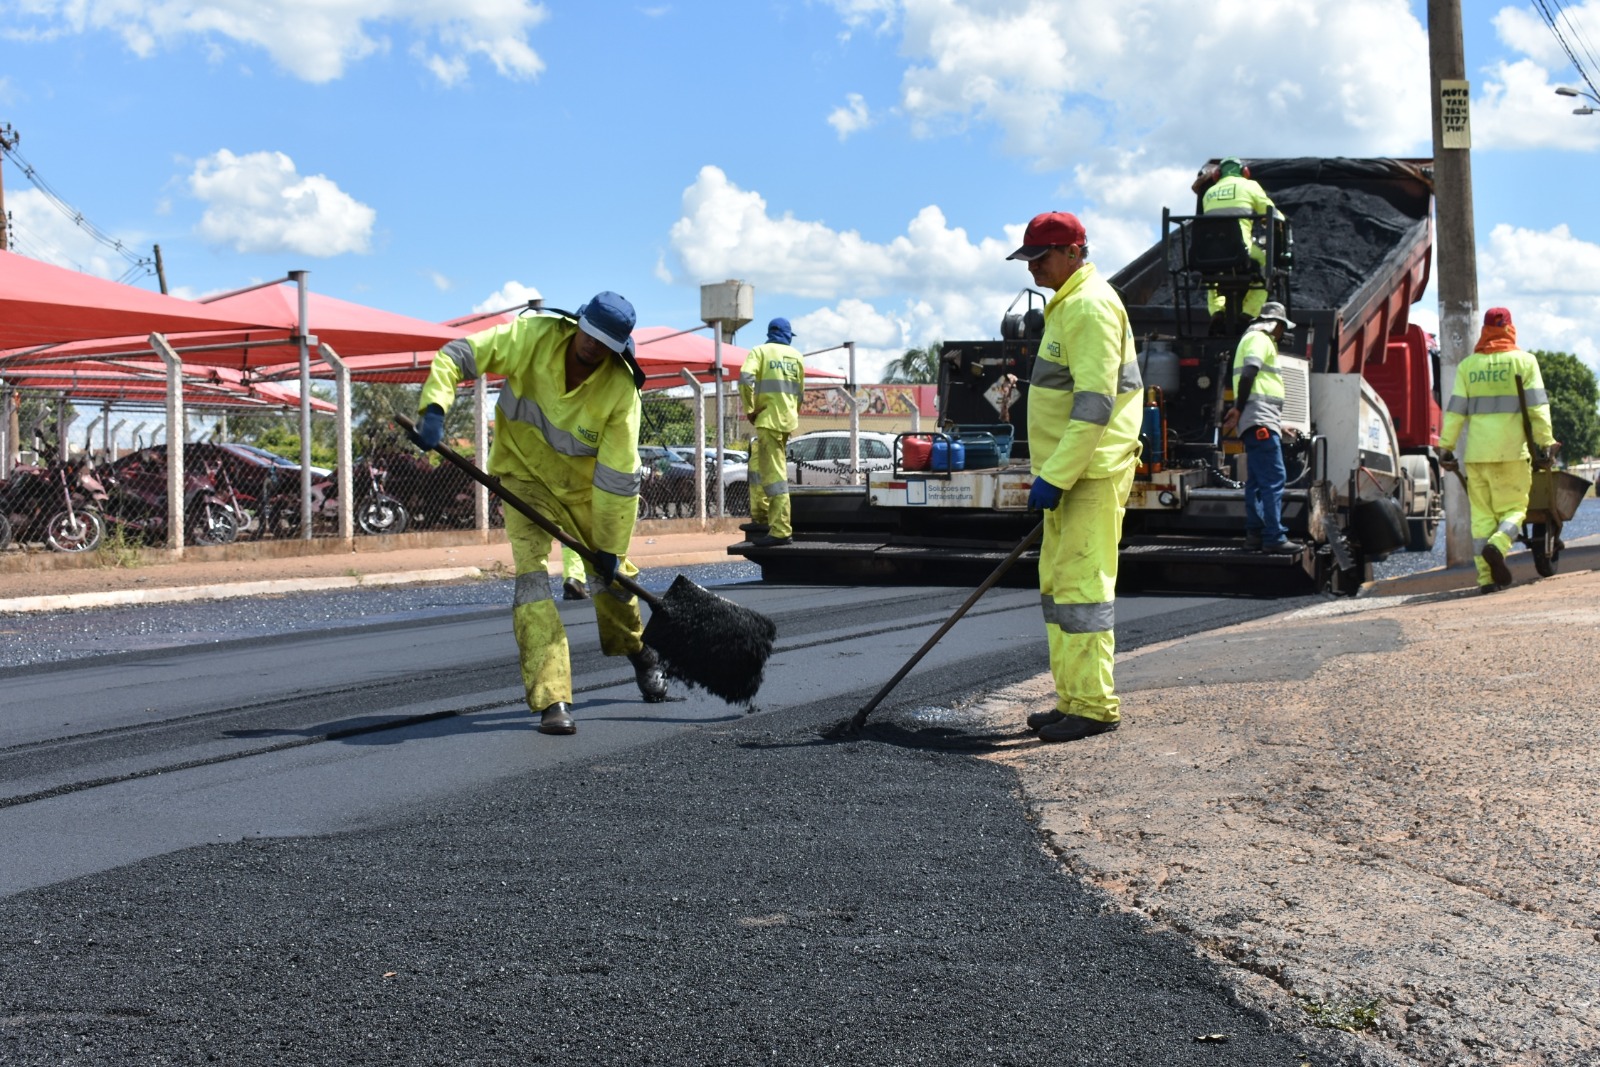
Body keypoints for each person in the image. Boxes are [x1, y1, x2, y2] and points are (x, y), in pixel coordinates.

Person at [410, 292, 668, 736]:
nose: (592, 347)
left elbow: (618, 481)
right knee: (531, 582)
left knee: (612, 582)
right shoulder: (533, 336)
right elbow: (459, 355)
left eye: (604, 342)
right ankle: (553, 699)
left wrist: (608, 548)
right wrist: (434, 406)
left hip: (586, 494)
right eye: (588, 334)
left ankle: (639, 653)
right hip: (522, 478)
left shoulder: (621, 391)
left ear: (619, 347)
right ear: (578, 323)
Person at [1007, 211, 1144, 744]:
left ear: (1072, 252)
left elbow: (1094, 406)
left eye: (1041, 258)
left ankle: (1094, 706)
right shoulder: (1067, 306)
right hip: (1070, 475)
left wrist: (1057, 475)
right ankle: (1072, 698)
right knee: (1061, 590)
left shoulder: (1089, 307)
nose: (1034, 268)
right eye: (1030, 260)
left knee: (1085, 591)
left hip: (1090, 471)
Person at [1438, 307, 1558, 594]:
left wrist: (1446, 447)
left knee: (1481, 517)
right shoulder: (1525, 362)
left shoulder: (1468, 366)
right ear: (1509, 329)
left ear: (1485, 330)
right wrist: (1547, 442)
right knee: (1515, 509)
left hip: (1477, 455)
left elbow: (1455, 412)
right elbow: (1538, 408)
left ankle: (1486, 580)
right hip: (1512, 454)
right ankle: (1499, 545)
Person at [1221, 302, 1301, 554]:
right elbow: (1249, 374)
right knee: (1274, 479)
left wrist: (1278, 424)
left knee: (1256, 481)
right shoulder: (1260, 339)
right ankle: (1274, 536)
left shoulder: (1250, 339)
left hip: (1260, 420)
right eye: (1282, 327)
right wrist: (1239, 408)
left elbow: (1257, 387)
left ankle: (1255, 535)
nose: (1282, 333)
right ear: (1275, 324)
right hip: (1259, 419)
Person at [739, 317, 806, 547]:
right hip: (787, 420)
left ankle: (780, 530)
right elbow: (800, 393)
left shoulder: (759, 351)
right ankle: (764, 516)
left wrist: (749, 408)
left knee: (775, 477)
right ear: (787, 334)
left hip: (768, 419)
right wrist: (791, 413)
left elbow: (745, 378)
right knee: (764, 468)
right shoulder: (796, 356)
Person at [1200, 157, 1280, 323]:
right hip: (1241, 250)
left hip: (1207, 253)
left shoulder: (1209, 192)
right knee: (1267, 264)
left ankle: (1217, 311)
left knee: (1212, 273)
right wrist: (1268, 221)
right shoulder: (1250, 186)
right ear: (1245, 172)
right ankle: (1249, 312)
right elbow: (1272, 213)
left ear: (1217, 175)